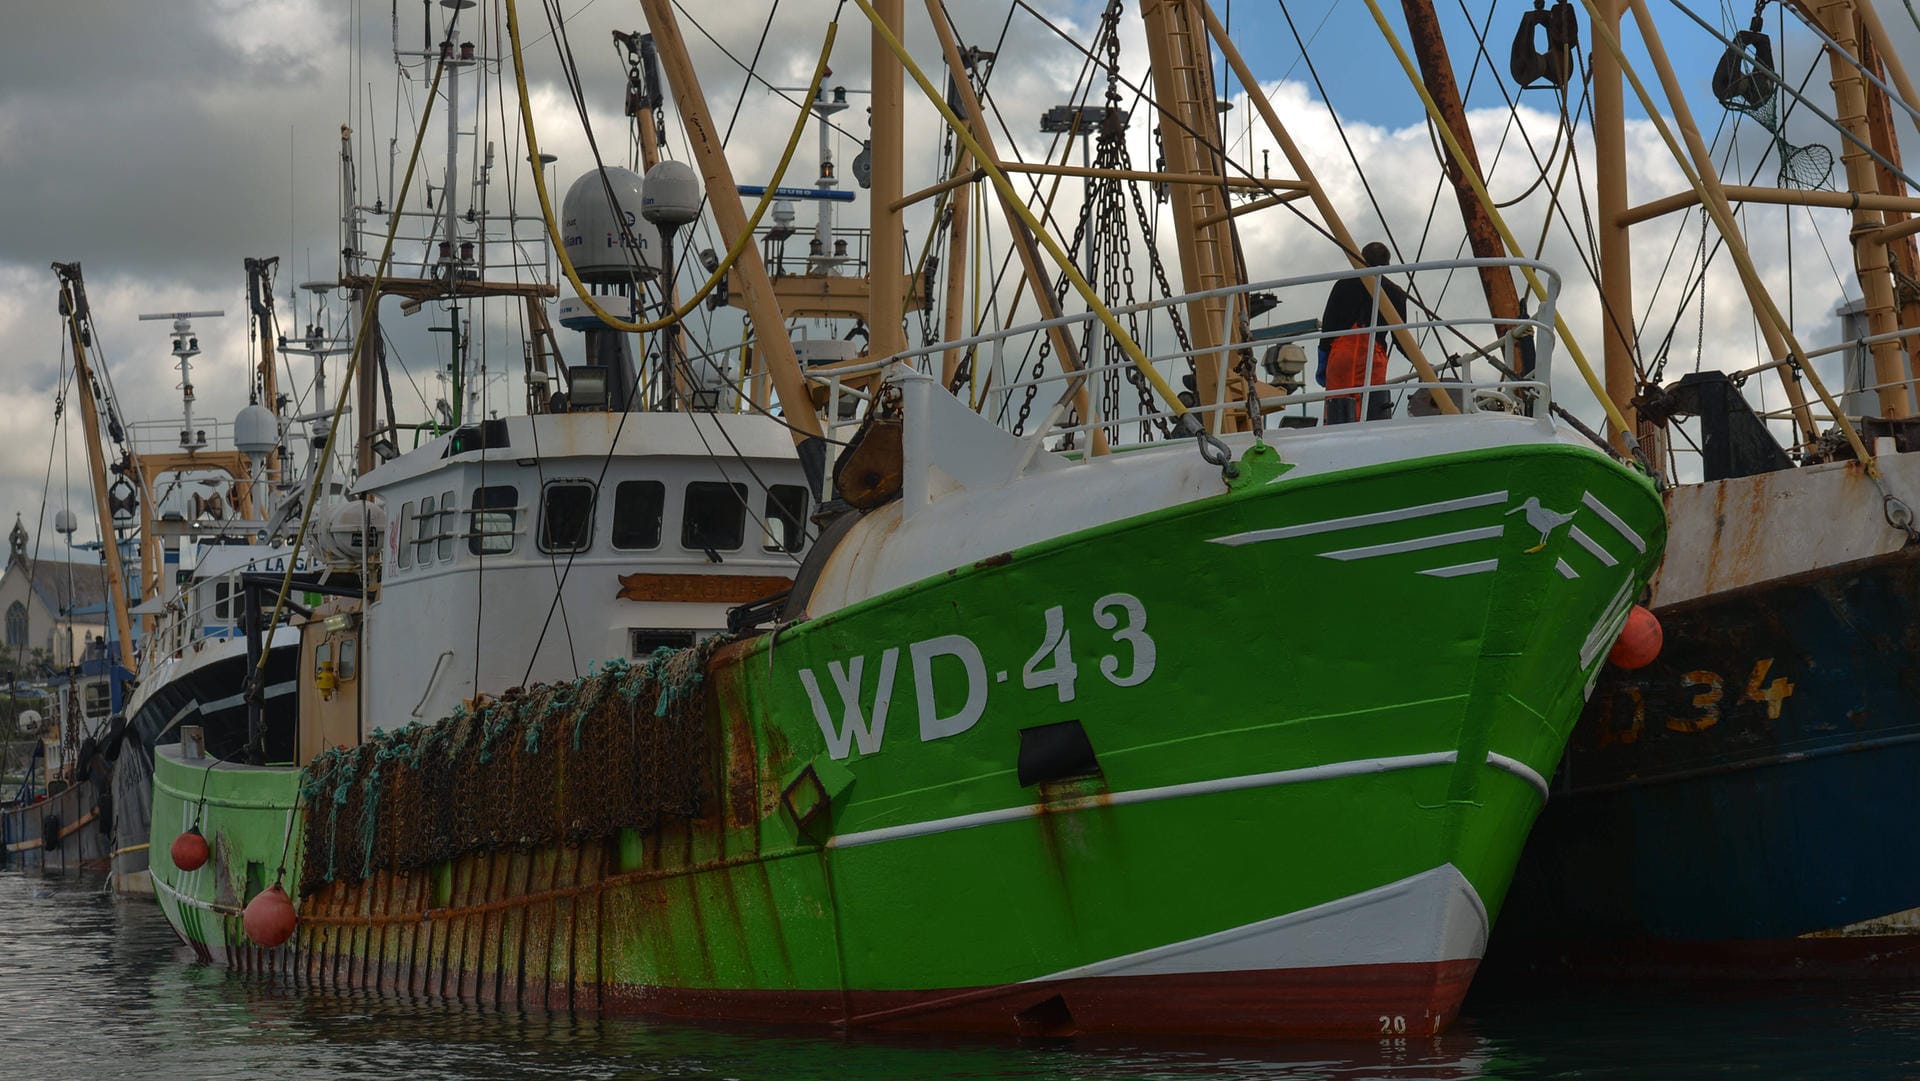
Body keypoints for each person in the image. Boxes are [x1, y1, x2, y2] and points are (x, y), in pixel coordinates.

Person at [1316, 242, 1409, 424]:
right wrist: (1422, 365)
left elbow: (1328, 327)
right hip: (1374, 358)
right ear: (1387, 265)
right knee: (1371, 413)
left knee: (1338, 411)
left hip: (1341, 354)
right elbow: (1401, 340)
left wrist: (1322, 363)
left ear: (1361, 259)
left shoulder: (1343, 285)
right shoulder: (1396, 293)